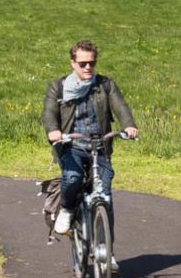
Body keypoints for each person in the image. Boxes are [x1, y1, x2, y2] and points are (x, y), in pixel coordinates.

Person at [41, 39, 137, 234]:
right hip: (71, 146)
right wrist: (53, 130)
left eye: (91, 63)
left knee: (104, 195)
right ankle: (67, 209)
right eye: (82, 63)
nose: (88, 67)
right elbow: (49, 112)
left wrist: (128, 125)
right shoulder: (58, 87)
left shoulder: (105, 85)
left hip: (99, 146)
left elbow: (120, 106)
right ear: (72, 63)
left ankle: (106, 250)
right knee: (73, 177)